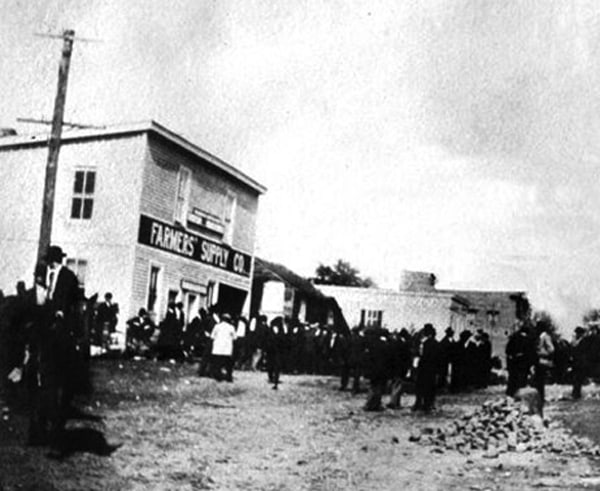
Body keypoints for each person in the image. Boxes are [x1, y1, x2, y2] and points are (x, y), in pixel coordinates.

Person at [412, 323, 439, 412]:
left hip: (423, 368)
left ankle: (418, 404)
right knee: (429, 388)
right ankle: (427, 404)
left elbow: (420, 356)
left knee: (420, 387)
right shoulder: (435, 343)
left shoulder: (423, 343)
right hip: (432, 369)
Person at [505, 322, 535, 397]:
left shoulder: (514, 337)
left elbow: (507, 350)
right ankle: (519, 394)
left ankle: (511, 393)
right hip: (523, 363)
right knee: (522, 379)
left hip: (513, 362)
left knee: (512, 378)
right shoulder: (529, 340)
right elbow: (531, 353)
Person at [534, 322, 555, 416]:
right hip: (539, 361)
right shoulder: (541, 336)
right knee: (538, 381)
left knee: (540, 381)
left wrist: (541, 352)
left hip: (543, 361)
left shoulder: (545, 337)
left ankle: (541, 398)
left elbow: (551, 349)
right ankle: (539, 398)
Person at [210, 313, 236, 382]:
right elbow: (234, 337)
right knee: (228, 365)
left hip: (218, 348)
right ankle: (229, 377)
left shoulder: (217, 326)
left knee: (218, 364)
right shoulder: (231, 327)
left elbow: (212, 336)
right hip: (227, 349)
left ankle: (218, 377)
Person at [571, 326, 589, 400]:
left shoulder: (577, 340)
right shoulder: (580, 340)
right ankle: (576, 394)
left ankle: (576, 393)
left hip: (578, 362)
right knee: (578, 378)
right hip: (579, 362)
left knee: (578, 378)